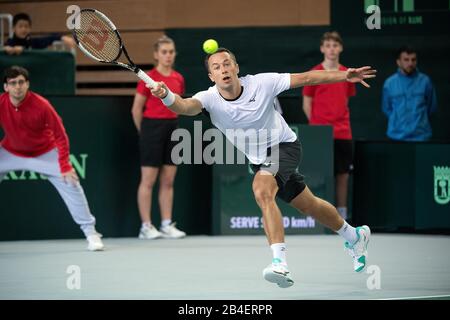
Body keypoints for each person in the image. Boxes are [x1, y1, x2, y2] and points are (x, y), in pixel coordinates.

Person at [148, 48, 376, 288]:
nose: (223, 69)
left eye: (227, 64)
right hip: (259, 158)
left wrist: (344, 75)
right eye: (216, 67)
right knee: (308, 204)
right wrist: (166, 95)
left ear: (236, 68)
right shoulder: (209, 99)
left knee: (262, 190)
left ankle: (280, 263)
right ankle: (355, 235)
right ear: (211, 77)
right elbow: (184, 106)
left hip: (285, 146)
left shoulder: (263, 83)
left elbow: (307, 77)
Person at [0, 66, 104, 251]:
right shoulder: (1, 103)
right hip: (11, 152)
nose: (18, 87)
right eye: (13, 83)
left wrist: (64, 165)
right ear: (6, 87)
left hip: (45, 153)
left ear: (28, 84)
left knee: (72, 182)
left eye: (21, 82)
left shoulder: (42, 105)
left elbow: (60, 135)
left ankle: (91, 233)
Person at [131, 36, 186, 239]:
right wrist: (144, 133)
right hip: (151, 128)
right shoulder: (148, 78)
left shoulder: (178, 78)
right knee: (148, 180)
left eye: (171, 52)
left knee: (169, 180)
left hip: (172, 127)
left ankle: (166, 224)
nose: (168, 55)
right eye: (164, 52)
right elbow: (136, 109)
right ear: (156, 55)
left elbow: (179, 104)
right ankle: (146, 226)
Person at [302, 31, 356, 220]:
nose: (332, 49)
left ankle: (341, 215)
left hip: (343, 132)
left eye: (335, 45)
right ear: (322, 49)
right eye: (328, 45)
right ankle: (318, 216)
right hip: (320, 133)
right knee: (318, 174)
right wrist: (317, 127)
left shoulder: (348, 74)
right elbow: (306, 103)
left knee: (342, 175)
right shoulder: (314, 73)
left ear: (340, 48)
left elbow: (345, 100)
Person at [382, 46, 437, 141]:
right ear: (398, 62)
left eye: (413, 60)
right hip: (396, 136)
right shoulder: (389, 83)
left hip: (421, 136)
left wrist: (420, 122)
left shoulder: (425, 81)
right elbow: (386, 108)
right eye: (406, 60)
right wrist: (397, 121)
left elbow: (431, 107)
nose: (410, 63)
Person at [4, 13, 76, 55]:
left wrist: (62, 37)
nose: (23, 29)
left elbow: (47, 39)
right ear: (13, 28)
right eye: (20, 26)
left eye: (26, 26)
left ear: (30, 28)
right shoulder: (9, 42)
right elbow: (5, 49)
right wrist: (6, 50)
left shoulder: (32, 42)